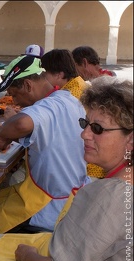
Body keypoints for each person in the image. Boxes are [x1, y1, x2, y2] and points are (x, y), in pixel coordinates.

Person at [0, 77, 133, 261]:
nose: (84, 134)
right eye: (86, 124)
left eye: (98, 129)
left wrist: (27, 256)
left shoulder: (110, 196)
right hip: (75, 258)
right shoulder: (120, 180)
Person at [0, 55, 88, 248]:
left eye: (14, 95)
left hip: (52, 202)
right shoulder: (67, 98)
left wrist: (2, 135)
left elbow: (22, 122)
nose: (15, 101)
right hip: (71, 190)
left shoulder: (47, 105)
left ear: (29, 86)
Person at [42, 48, 104, 179]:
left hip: (87, 168)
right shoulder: (77, 83)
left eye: (44, 74)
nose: (42, 79)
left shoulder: (69, 96)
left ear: (59, 74)